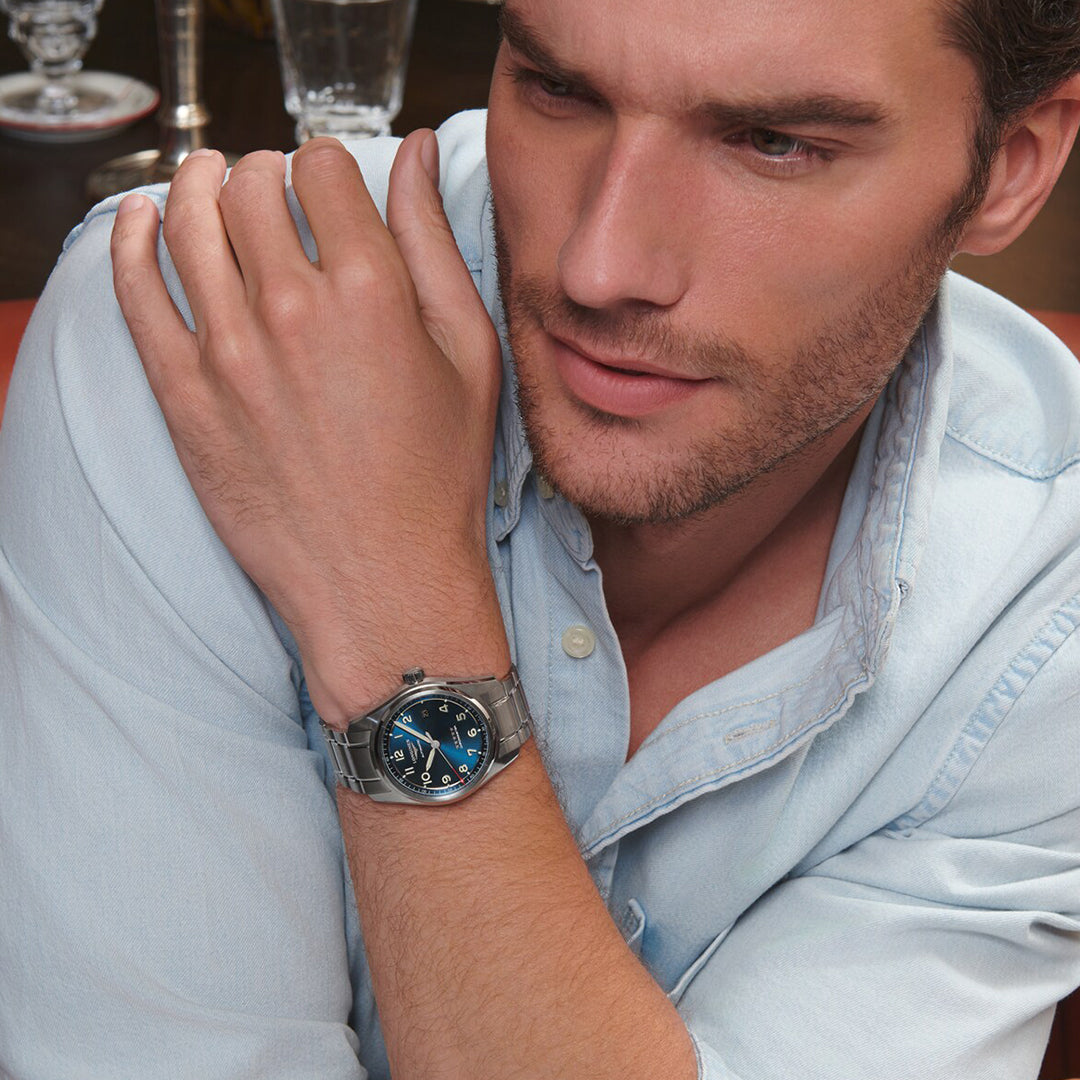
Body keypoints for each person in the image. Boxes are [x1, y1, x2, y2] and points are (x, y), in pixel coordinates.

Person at [2, 0, 1080, 1076]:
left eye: (774, 142)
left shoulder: (1043, 604)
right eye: (560, 90)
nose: (598, 266)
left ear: (1012, 164)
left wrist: (401, 621)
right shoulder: (204, 329)